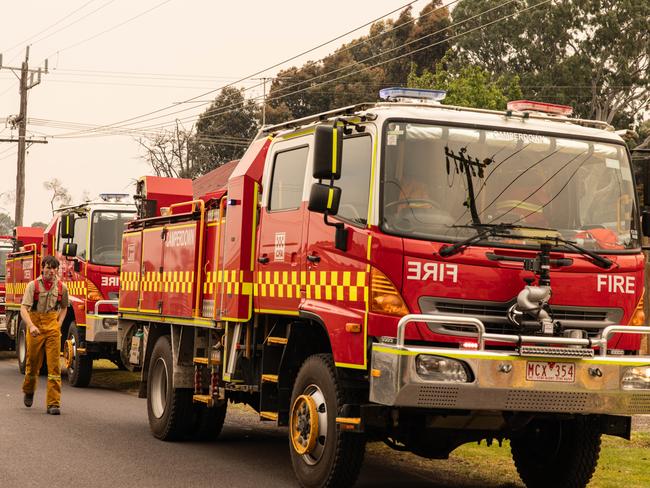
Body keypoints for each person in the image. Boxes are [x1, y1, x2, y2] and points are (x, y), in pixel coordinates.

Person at [21, 255, 69, 415]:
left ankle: (53, 403)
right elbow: (23, 309)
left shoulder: (62, 288)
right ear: (42, 268)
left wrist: (59, 323)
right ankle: (29, 390)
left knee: (54, 365)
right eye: (48, 267)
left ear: (57, 270)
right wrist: (31, 326)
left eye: (54, 268)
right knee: (33, 362)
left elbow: (64, 308)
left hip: (52, 327)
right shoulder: (32, 286)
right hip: (35, 324)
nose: (51, 271)